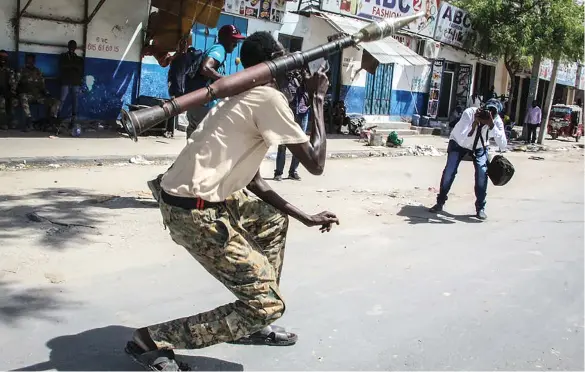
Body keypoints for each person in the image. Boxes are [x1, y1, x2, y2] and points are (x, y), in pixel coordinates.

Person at [126, 32, 338, 371]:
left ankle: (252, 319)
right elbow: (315, 163)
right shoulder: (267, 98)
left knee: (272, 221)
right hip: (192, 210)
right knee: (269, 304)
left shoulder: (243, 96)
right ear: (270, 66)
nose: (295, 68)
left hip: (191, 195)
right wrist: (318, 100)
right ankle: (151, 339)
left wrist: (303, 216)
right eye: (287, 58)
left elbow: (251, 177)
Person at [429, 98, 507, 220]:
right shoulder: (470, 113)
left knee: (482, 173)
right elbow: (462, 138)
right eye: (488, 110)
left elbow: (503, 145)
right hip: (458, 143)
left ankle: (480, 208)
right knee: (450, 171)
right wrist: (474, 125)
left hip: (480, 146)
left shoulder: (496, 122)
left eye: (493, 112)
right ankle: (440, 202)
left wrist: (491, 125)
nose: (489, 114)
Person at [184, 24, 245, 139]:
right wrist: (225, 81)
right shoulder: (219, 49)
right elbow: (206, 68)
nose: (236, 44)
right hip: (204, 102)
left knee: (194, 137)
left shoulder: (217, 49)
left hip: (198, 102)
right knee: (204, 138)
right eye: (233, 40)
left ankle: (190, 157)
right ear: (225, 39)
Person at [274, 68, 310, 181]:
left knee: (300, 143)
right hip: (289, 112)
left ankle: (293, 172)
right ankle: (278, 173)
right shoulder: (287, 76)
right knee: (283, 144)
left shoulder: (306, 76)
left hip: (303, 111)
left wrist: (305, 77)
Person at [18, 53, 60, 132]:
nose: (30, 62)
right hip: (27, 95)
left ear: (34, 61)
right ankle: (29, 121)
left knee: (55, 101)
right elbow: (15, 84)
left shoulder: (38, 72)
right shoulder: (21, 71)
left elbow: (42, 86)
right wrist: (16, 92)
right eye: (28, 60)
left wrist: (47, 93)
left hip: (38, 96)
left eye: (32, 60)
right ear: (25, 61)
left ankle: (52, 122)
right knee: (23, 96)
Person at [58, 40, 84, 132]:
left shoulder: (78, 59)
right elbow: (62, 66)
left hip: (75, 82)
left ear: (75, 47)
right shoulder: (63, 56)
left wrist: (70, 66)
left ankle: (73, 121)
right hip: (66, 82)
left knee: (75, 102)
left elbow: (80, 69)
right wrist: (73, 66)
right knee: (61, 100)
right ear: (68, 46)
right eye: (71, 46)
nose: (72, 48)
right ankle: (57, 119)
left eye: (73, 46)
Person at [0, 50, 19, 130]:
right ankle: (3, 123)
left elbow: (13, 83)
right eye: (1, 57)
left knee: (13, 101)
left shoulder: (9, 70)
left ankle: (12, 123)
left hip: (6, 92)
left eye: (5, 57)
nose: (3, 59)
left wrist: (12, 92)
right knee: (2, 101)